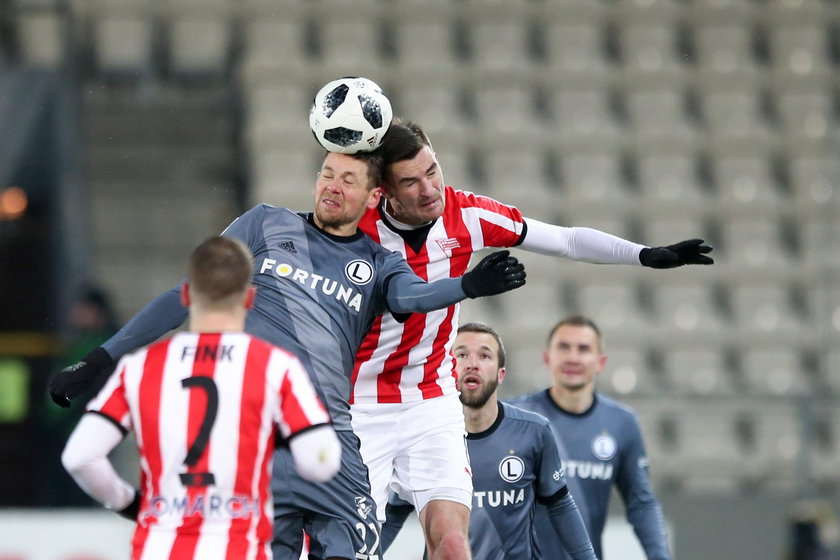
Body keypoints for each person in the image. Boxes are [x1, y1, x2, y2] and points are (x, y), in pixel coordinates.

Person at [49, 148, 526, 560]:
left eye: (348, 179)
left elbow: (409, 298)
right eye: (326, 174)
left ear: (372, 197)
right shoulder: (264, 223)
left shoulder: (381, 262)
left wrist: (467, 285)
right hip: (259, 449)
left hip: (333, 444)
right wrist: (102, 359)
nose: (331, 187)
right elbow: (187, 294)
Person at [348, 118, 712, 559]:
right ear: (383, 191)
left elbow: (566, 240)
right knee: (351, 544)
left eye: (433, 170)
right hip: (362, 402)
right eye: (411, 182)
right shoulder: (354, 231)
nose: (430, 189)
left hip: (431, 399)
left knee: (452, 541)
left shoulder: (467, 215)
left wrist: (644, 255)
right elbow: (404, 297)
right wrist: (469, 285)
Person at [61, 236, 342, 558]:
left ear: (185, 294)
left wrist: (127, 502)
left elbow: (80, 457)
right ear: (250, 298)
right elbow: (321, 462)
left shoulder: (139, 368)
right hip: (238, 547)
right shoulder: (275, 367)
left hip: (159, 547)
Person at [380, 322, 598, 560]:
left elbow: (560, 505)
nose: (472, 364)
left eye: (484, 355)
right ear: (444, 369)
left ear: (500, 374)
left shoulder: (534, 432)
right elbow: (392, 515)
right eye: (462, 354)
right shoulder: (422, 439)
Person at [508, 314, 672, 560]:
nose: (573, 357)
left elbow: (641, 504)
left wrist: (660, 556)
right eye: (564, 347)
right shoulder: (516, 418)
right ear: (546, 358)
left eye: (583, 349)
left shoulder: (621, 423)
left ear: (600, 362)